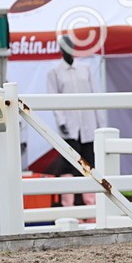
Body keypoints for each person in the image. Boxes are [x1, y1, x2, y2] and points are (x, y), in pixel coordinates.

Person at [45, 36, 108, 205]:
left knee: (88, 164)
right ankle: (68, 205)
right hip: (69, 127)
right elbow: (53, 99)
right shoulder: (55, 72)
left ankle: (91, 205)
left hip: (88, 125)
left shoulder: (85, 69)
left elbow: (95, 96)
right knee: (68, 164)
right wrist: (61, 121)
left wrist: (101, 123)